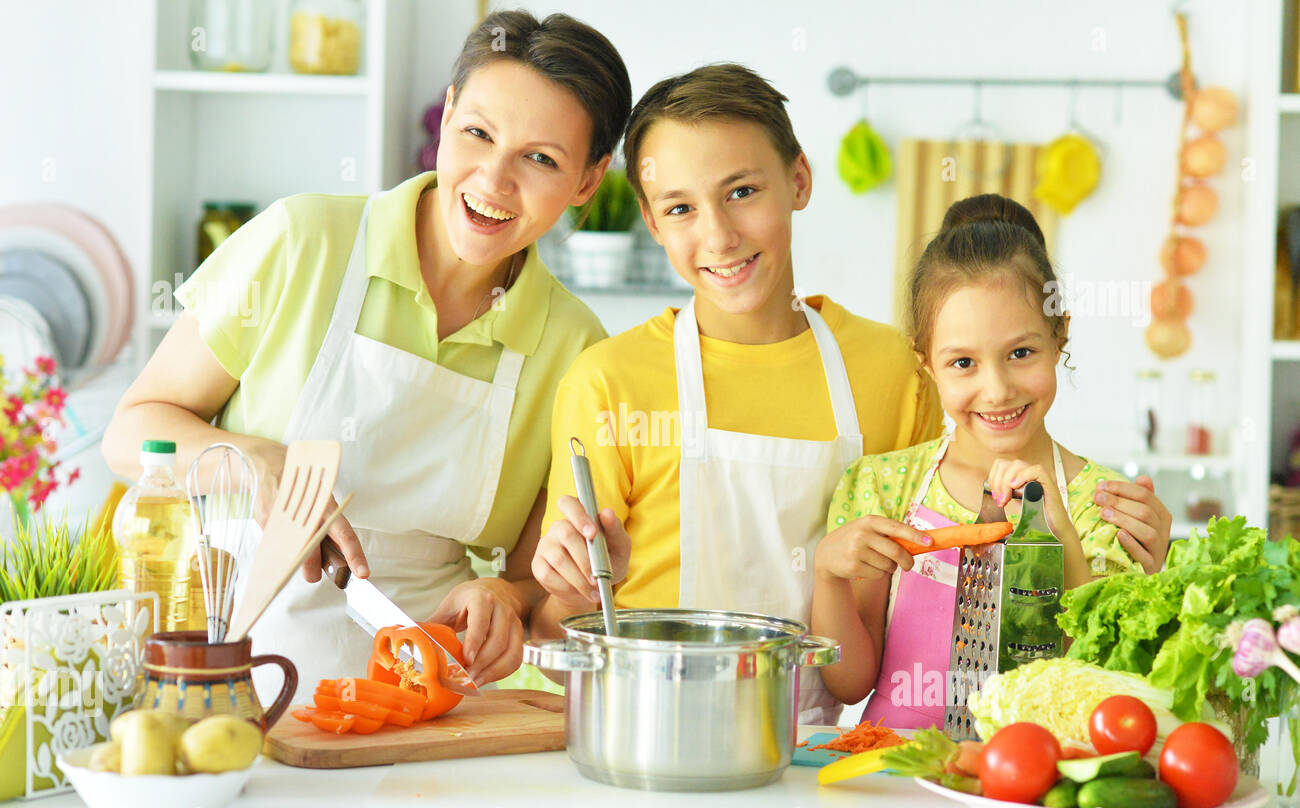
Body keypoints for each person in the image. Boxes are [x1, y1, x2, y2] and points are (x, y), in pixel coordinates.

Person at [531, 67, 1172, 727]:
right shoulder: (607, 384)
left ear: (799, 180)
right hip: (650, 731)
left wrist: (1132, 566)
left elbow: (920, 595)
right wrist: (563, 592)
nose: (718, 235)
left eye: (743, 190)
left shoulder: (892, 371)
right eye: (680, 207)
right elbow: (557, 641)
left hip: (818, 757)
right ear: (650, 219)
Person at [103, 11, 632, 695]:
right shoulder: (305, 242)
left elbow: (536, 590)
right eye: (478, 133)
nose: (494, 180)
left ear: (589, 181)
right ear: (446, 117)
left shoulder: (573, 346)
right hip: (216, 670)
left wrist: (508, 599)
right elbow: (130, 433)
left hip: (419, 700)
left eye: (541, 159)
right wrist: (257, 462)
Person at [811, 194, 1153, 730]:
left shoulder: (1104, 504)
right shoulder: (881, 487)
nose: (996, 390)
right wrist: (828, 574)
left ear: (1059, 333)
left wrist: (1054, 526)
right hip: (894, 783)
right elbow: (850, 681)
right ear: (926, 363)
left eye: (1021, 353)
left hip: (1027, 785)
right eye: (963, 362)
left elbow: (1095, 680)